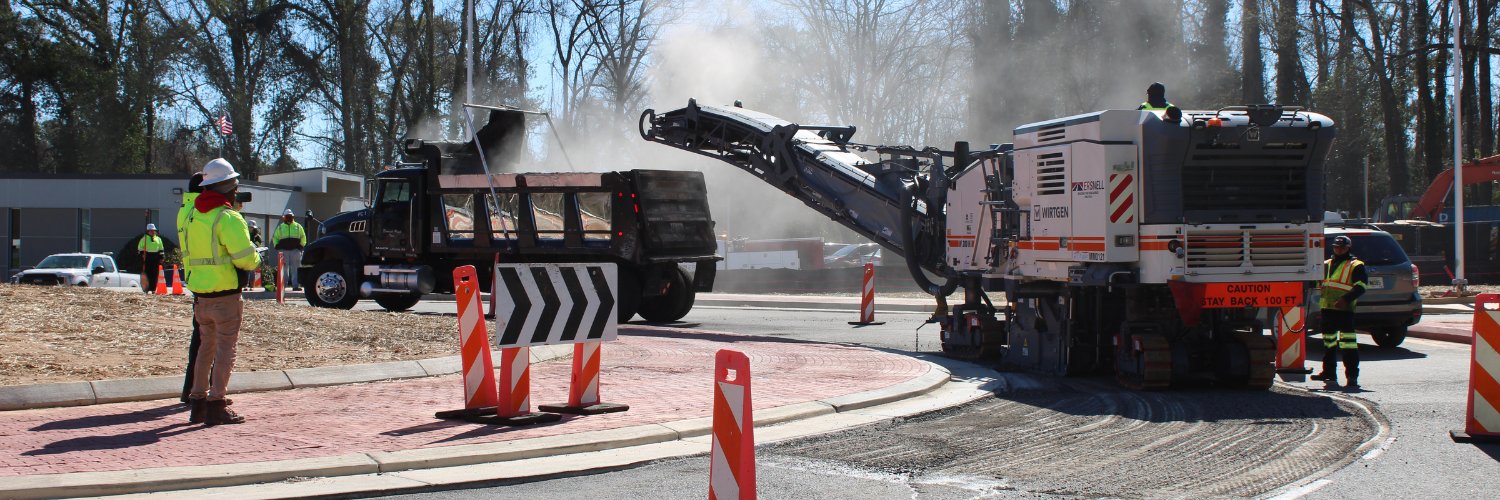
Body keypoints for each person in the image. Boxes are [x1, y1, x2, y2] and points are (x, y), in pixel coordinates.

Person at [183, 158, 261, 425]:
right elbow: (245, 259)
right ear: (227, 187)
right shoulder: (228, 217)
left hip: (201, 295)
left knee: (205, 348)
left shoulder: (193, 214)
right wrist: (257, 258)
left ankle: (198, 402)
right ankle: (217, 403)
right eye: (235, 187)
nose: (236, 192)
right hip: (226, 294)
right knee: (225, 350)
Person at [1313, 235, 1367, 391]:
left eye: (1342, 247)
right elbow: (1318, 282)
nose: (1338, 249)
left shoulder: (1355, 265)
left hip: (1344, 311)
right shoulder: (1327, 264)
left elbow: (1361, 287)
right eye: (1336, 247)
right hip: (1327, 310)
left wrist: (1346, 299)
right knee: (1328, 344)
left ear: (1348, 248)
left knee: (1348, 346)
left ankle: (1352, 377)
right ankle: (1329, 374)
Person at [178, 173, 204, 403]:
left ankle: (190, 388)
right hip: (207, 280)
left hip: (195, 278)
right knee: (205, 340)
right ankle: (198, 390)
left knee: (199, 337)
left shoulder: (185, 209)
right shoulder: (201, 210)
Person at [272, 209, 307, 291]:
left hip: (295, 251)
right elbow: (275, 238)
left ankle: (295, 286)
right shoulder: (280, 227)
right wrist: (277, 246)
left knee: (296, 268)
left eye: (290, 216)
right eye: (287, 216)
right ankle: (283, 286)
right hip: (283, 251)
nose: (288, 217)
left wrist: (300, 247)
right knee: (284, 269)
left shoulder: (298, 226)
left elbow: (303, 237)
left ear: (293, 217)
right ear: (284, 217)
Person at [138, 224, 165, 293]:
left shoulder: (158, 239)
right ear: (148, 231)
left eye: (154, 231)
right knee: (147, 274)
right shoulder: (144, 239)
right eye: (151, 231)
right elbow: (140, 248)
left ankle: (153, 289)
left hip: (155, 258)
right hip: (147, 258)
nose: (153, 232)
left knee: (155, 274)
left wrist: (161, 257)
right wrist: (142, 255)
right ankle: (146, 289)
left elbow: (161, 249)